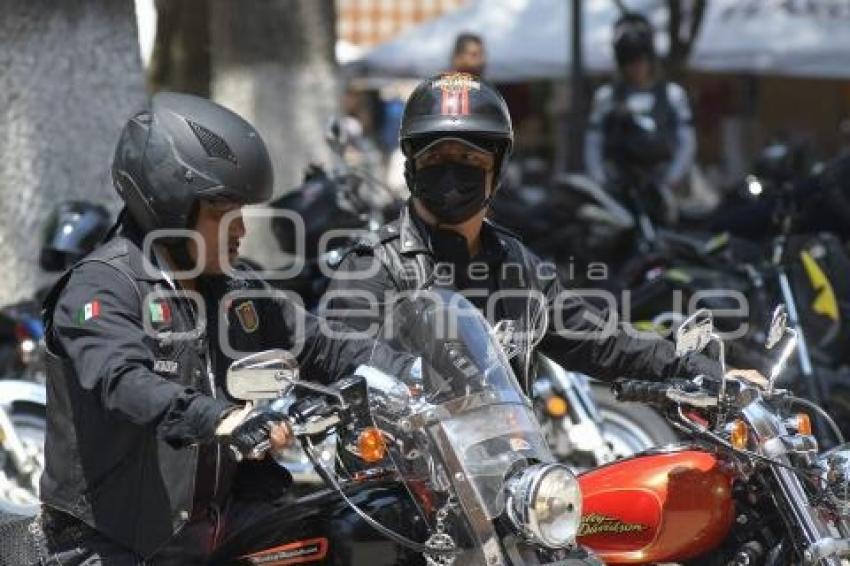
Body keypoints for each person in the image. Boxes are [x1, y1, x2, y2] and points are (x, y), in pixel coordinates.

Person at [36, 93, 412, 565]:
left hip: (220, 524)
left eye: (241, 213)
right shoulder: (102, 286)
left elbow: (320, 343)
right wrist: (222, 418)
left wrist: (413, 372)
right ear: (168, 204)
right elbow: (123, 380)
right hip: (115, 542)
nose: (239, 230)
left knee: (358, 540)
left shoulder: (231, 287)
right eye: (221, 213)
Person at [323, 72, 764, 393]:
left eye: (470, 161)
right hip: (396, 492)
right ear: (411, 167)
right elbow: (335, 354)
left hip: (509, 485)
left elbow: (604, 341)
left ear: (496, 172)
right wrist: (414, 376)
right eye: (437, 159)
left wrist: (697, 369)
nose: (452, 174)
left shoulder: (518, 268)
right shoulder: (374, 266)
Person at [584, 12, 697, 224]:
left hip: (662, 187)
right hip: (619, 189)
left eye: (640, 59)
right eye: (629, 61)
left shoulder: (673, 95)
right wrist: (601, 182)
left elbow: (687, 143)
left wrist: (671, 179)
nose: (635, 67)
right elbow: (593, 143)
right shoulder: (606, 97)